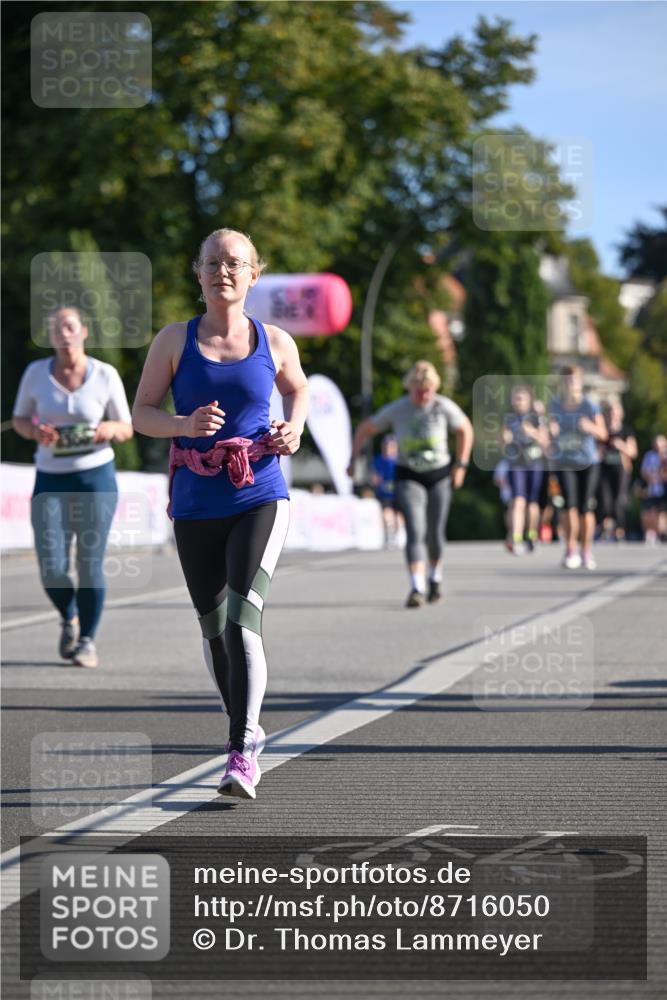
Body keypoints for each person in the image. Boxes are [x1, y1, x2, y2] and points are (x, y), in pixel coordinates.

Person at [132, 228, 308, 800]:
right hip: (195, 499)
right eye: (212, 263)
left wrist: (293, 428)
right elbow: (142, 414)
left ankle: (241, 749)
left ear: (254, 274)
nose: (222, 272)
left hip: (259, 491)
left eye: (234, 263)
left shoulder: (275, 341)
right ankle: (246, 727)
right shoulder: (173, 341)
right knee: (213, 628)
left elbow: (297, 389)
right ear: (198, 273)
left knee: (242, 616)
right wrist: (183, 425)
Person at [12, 306, 133, 668]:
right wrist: (35, 431)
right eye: (55, 328)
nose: (62, 333)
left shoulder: (105, 375)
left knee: (89, 561)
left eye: (69, 326)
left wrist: (109, 429)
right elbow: (19, 419)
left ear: (83, 331)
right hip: (50, 476)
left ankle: (87, 641)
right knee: (51, 563)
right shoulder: (35, 374)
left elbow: (126, 426)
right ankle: (69, 615)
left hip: (95, 476)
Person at [347, 360, 473, 607]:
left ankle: (435, 579)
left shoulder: (443, 406)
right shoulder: (398, 409)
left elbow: (465, 429)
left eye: (428, 390)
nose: (424, 395)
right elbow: (365, 429)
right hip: (408, 473)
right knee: (415, 530)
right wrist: (353, 459)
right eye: (419, 390)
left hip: (439, 473)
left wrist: (461, 464)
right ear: (410, 388)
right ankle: (417, 587)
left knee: (435, 532)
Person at [548, 366, 607, 570]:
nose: (570, 384)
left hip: (587, 462)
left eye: (573, 380)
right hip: (564, 461)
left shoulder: (589, 406)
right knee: (568, 506)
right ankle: (570, 549)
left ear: (580, 382)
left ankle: (586, 551)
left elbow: (603, 433)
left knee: (585, 508)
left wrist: (590, 427)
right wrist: (551, 430)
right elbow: (549, 428)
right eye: (566, 380)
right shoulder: (555, 405)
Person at [501, 385, 549, 555]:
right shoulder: (509, 418)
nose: (518, 401)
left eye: (521, 398)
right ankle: (516, 538)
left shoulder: (536, 417)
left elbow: (545, 441)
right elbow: (503, 439)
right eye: (515, 398)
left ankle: (531, 535)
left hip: (534, 463)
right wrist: (505, 439)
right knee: (518, 501)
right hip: (516, 464)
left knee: (532, 503)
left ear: (528, 400)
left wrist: (532, 432)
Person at [596, 401, 637, 540]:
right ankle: (606, 527)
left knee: (619, 499)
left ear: (621, 414)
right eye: (611, 412)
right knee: (605, 499)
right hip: (604, 470)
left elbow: (633, 452)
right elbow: (597, 451)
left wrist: (621, 445)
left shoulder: (626, 431)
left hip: (621, 470)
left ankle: (619, 529)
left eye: (616, 412)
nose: (614, 415)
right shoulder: (603, 432)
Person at [372, 434, 405, 548]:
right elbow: (376, 475)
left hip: (398, 490)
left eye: (391, 446)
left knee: (399, 514)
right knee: (386, 512)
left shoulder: (399, 459)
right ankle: (389, 535)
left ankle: (399, 534)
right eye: (386, 446)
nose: (388, 449)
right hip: (385, 492)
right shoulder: (379, 459)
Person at [639, 434, 667, 544]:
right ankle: (653, 533)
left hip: (664, 488)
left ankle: (662, 533)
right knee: (651, 511)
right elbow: (644, 471)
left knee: (663, 512)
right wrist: (651, 477)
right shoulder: (649, 456)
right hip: (653, 488)